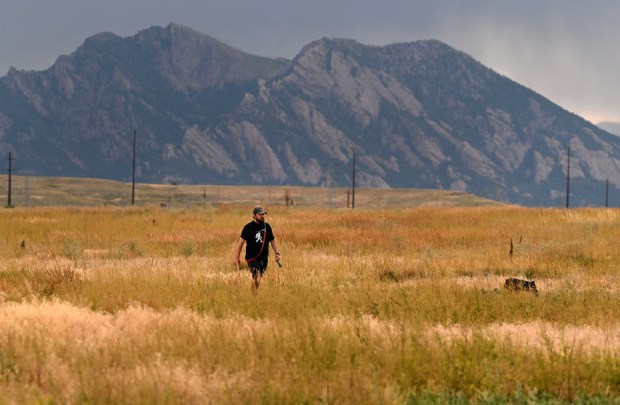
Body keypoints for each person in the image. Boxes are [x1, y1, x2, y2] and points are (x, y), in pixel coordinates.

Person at [234, 206, 281, 290]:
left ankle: (254, 295)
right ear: (254, 215)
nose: (262, 216)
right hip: (252, 258)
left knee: (257, 279)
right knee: (257, 276)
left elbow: (272, 240)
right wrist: (237, 257)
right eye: (260, 214)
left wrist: (277, 253)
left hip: (263, 258)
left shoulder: (267, 227)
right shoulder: (248, 227)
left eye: (263, 214)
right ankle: (255, 295)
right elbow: (240, 243)